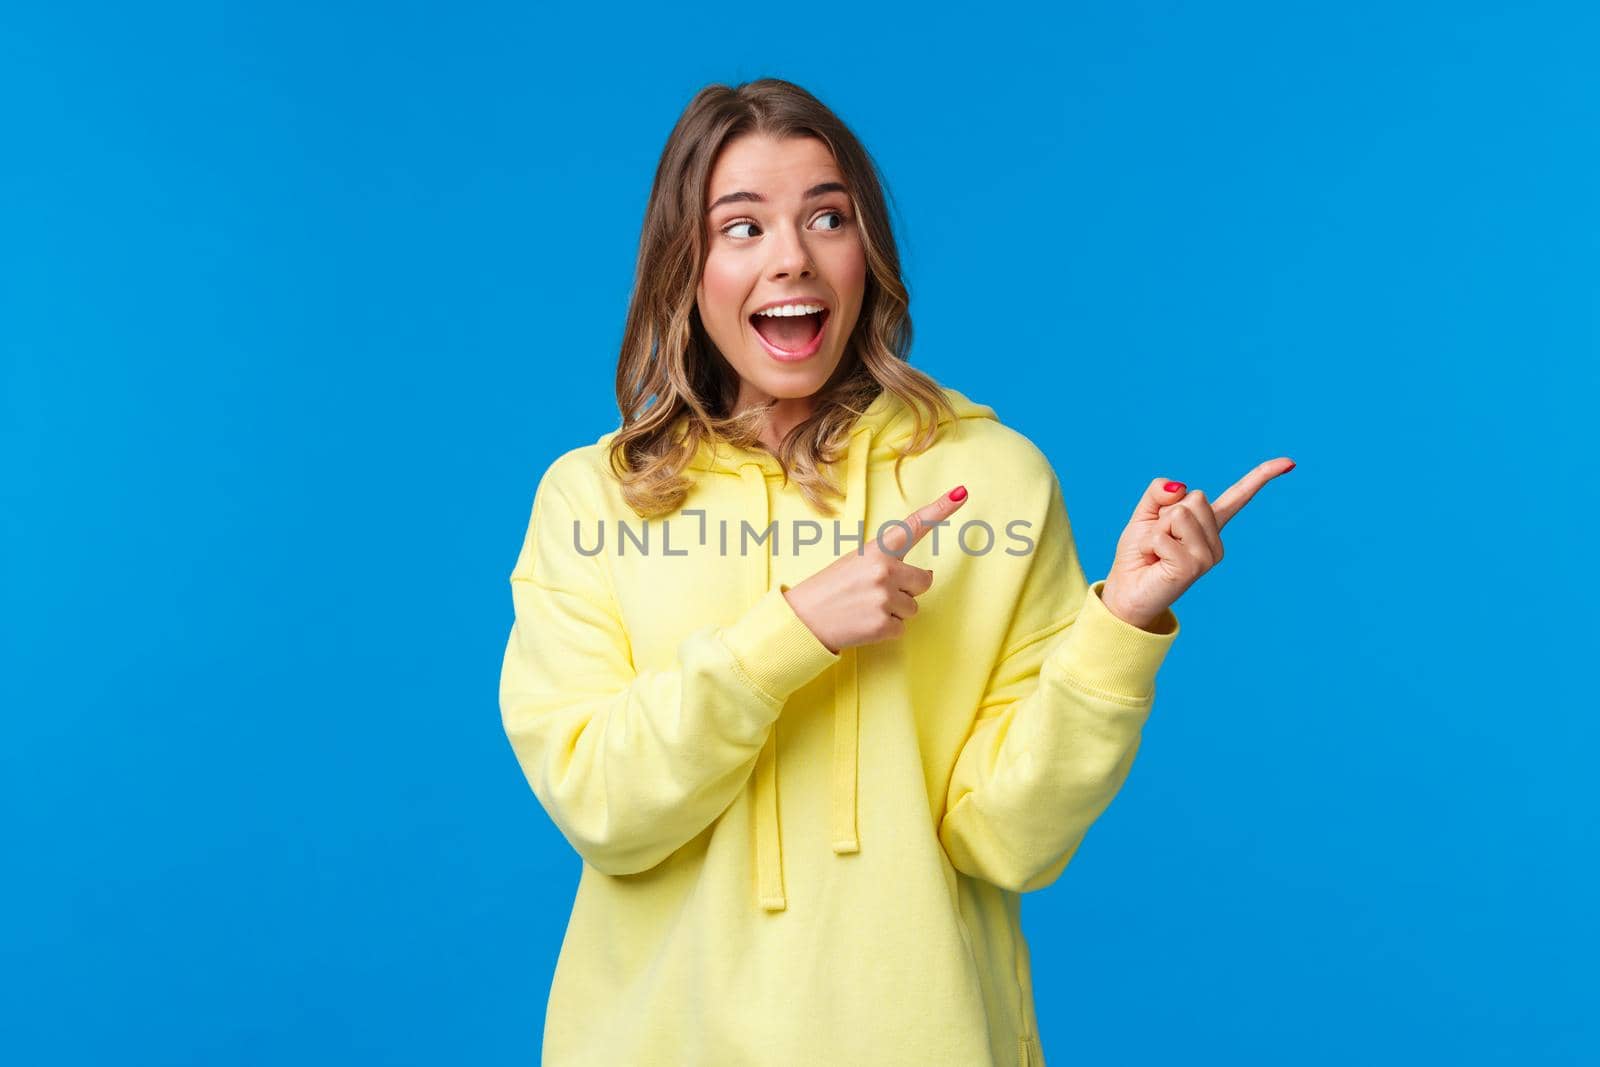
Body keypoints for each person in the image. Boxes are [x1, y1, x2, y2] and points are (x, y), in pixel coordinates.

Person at [498, 77, 1293, 1067]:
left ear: (866, 249)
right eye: (740, 227)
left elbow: (1008, 839)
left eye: (826, 217)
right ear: (684, 265)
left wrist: (1120, 620)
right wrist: (792, 631)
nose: (791, 255)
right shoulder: (594, 499)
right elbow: (603, 806)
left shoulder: (991, 477)